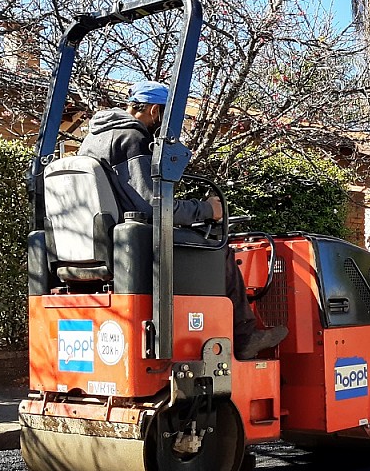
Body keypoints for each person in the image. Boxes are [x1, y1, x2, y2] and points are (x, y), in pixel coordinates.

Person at [78, 80, 287, 360]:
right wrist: (206, 210)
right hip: (135, 245)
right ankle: (244, 335)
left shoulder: (91, 141)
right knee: (218, 247)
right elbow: (155, 204)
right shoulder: (132, 138)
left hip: (99, 245)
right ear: (155, 111)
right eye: (167, 117)